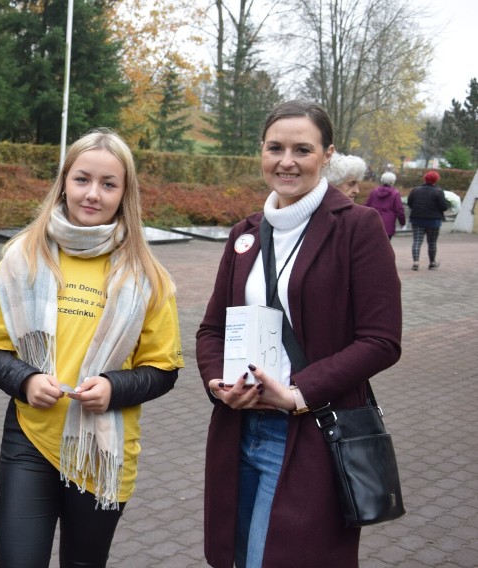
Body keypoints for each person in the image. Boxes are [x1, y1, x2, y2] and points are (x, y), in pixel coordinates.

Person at [196, 100, 401, 568]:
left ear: (326, 155)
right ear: (262, 153)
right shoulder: (244, 235)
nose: (286, 161)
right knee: (237, 556)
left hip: (310, 430)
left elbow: (381, 339)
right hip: (238, 426)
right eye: (275, 148)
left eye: (302, 149)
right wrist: (216, 383)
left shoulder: (357, 228)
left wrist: (297, 394)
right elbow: (212, 328)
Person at [0, 128, 184, 568]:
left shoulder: (148, 276)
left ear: (125, 194)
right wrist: (25, 380)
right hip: (30, 439)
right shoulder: (22, 257)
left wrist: (114, 387)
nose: (93, 194)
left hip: (101, 451)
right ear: (63, 181)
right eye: (82, 179)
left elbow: (163, 369)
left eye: (109, 184)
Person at [407, 170, 449, 270]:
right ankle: (432, 262)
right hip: (433, 221)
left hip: (417, 219)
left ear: (425, 179)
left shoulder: (415, 190)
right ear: (436, 180)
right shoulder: (438, 191)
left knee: (417, 241)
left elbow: (410, 203)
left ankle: (416, 262)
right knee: (432, 242)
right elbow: (444, 207)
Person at [364, 171, 406, 240]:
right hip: (387, 225)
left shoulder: (374, 192)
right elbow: (399, 210)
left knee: (372, 247)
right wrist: (402, 222)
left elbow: (366, 205)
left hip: (373, 223)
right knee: (385, 247)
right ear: (393, 181)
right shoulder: (395, 193)